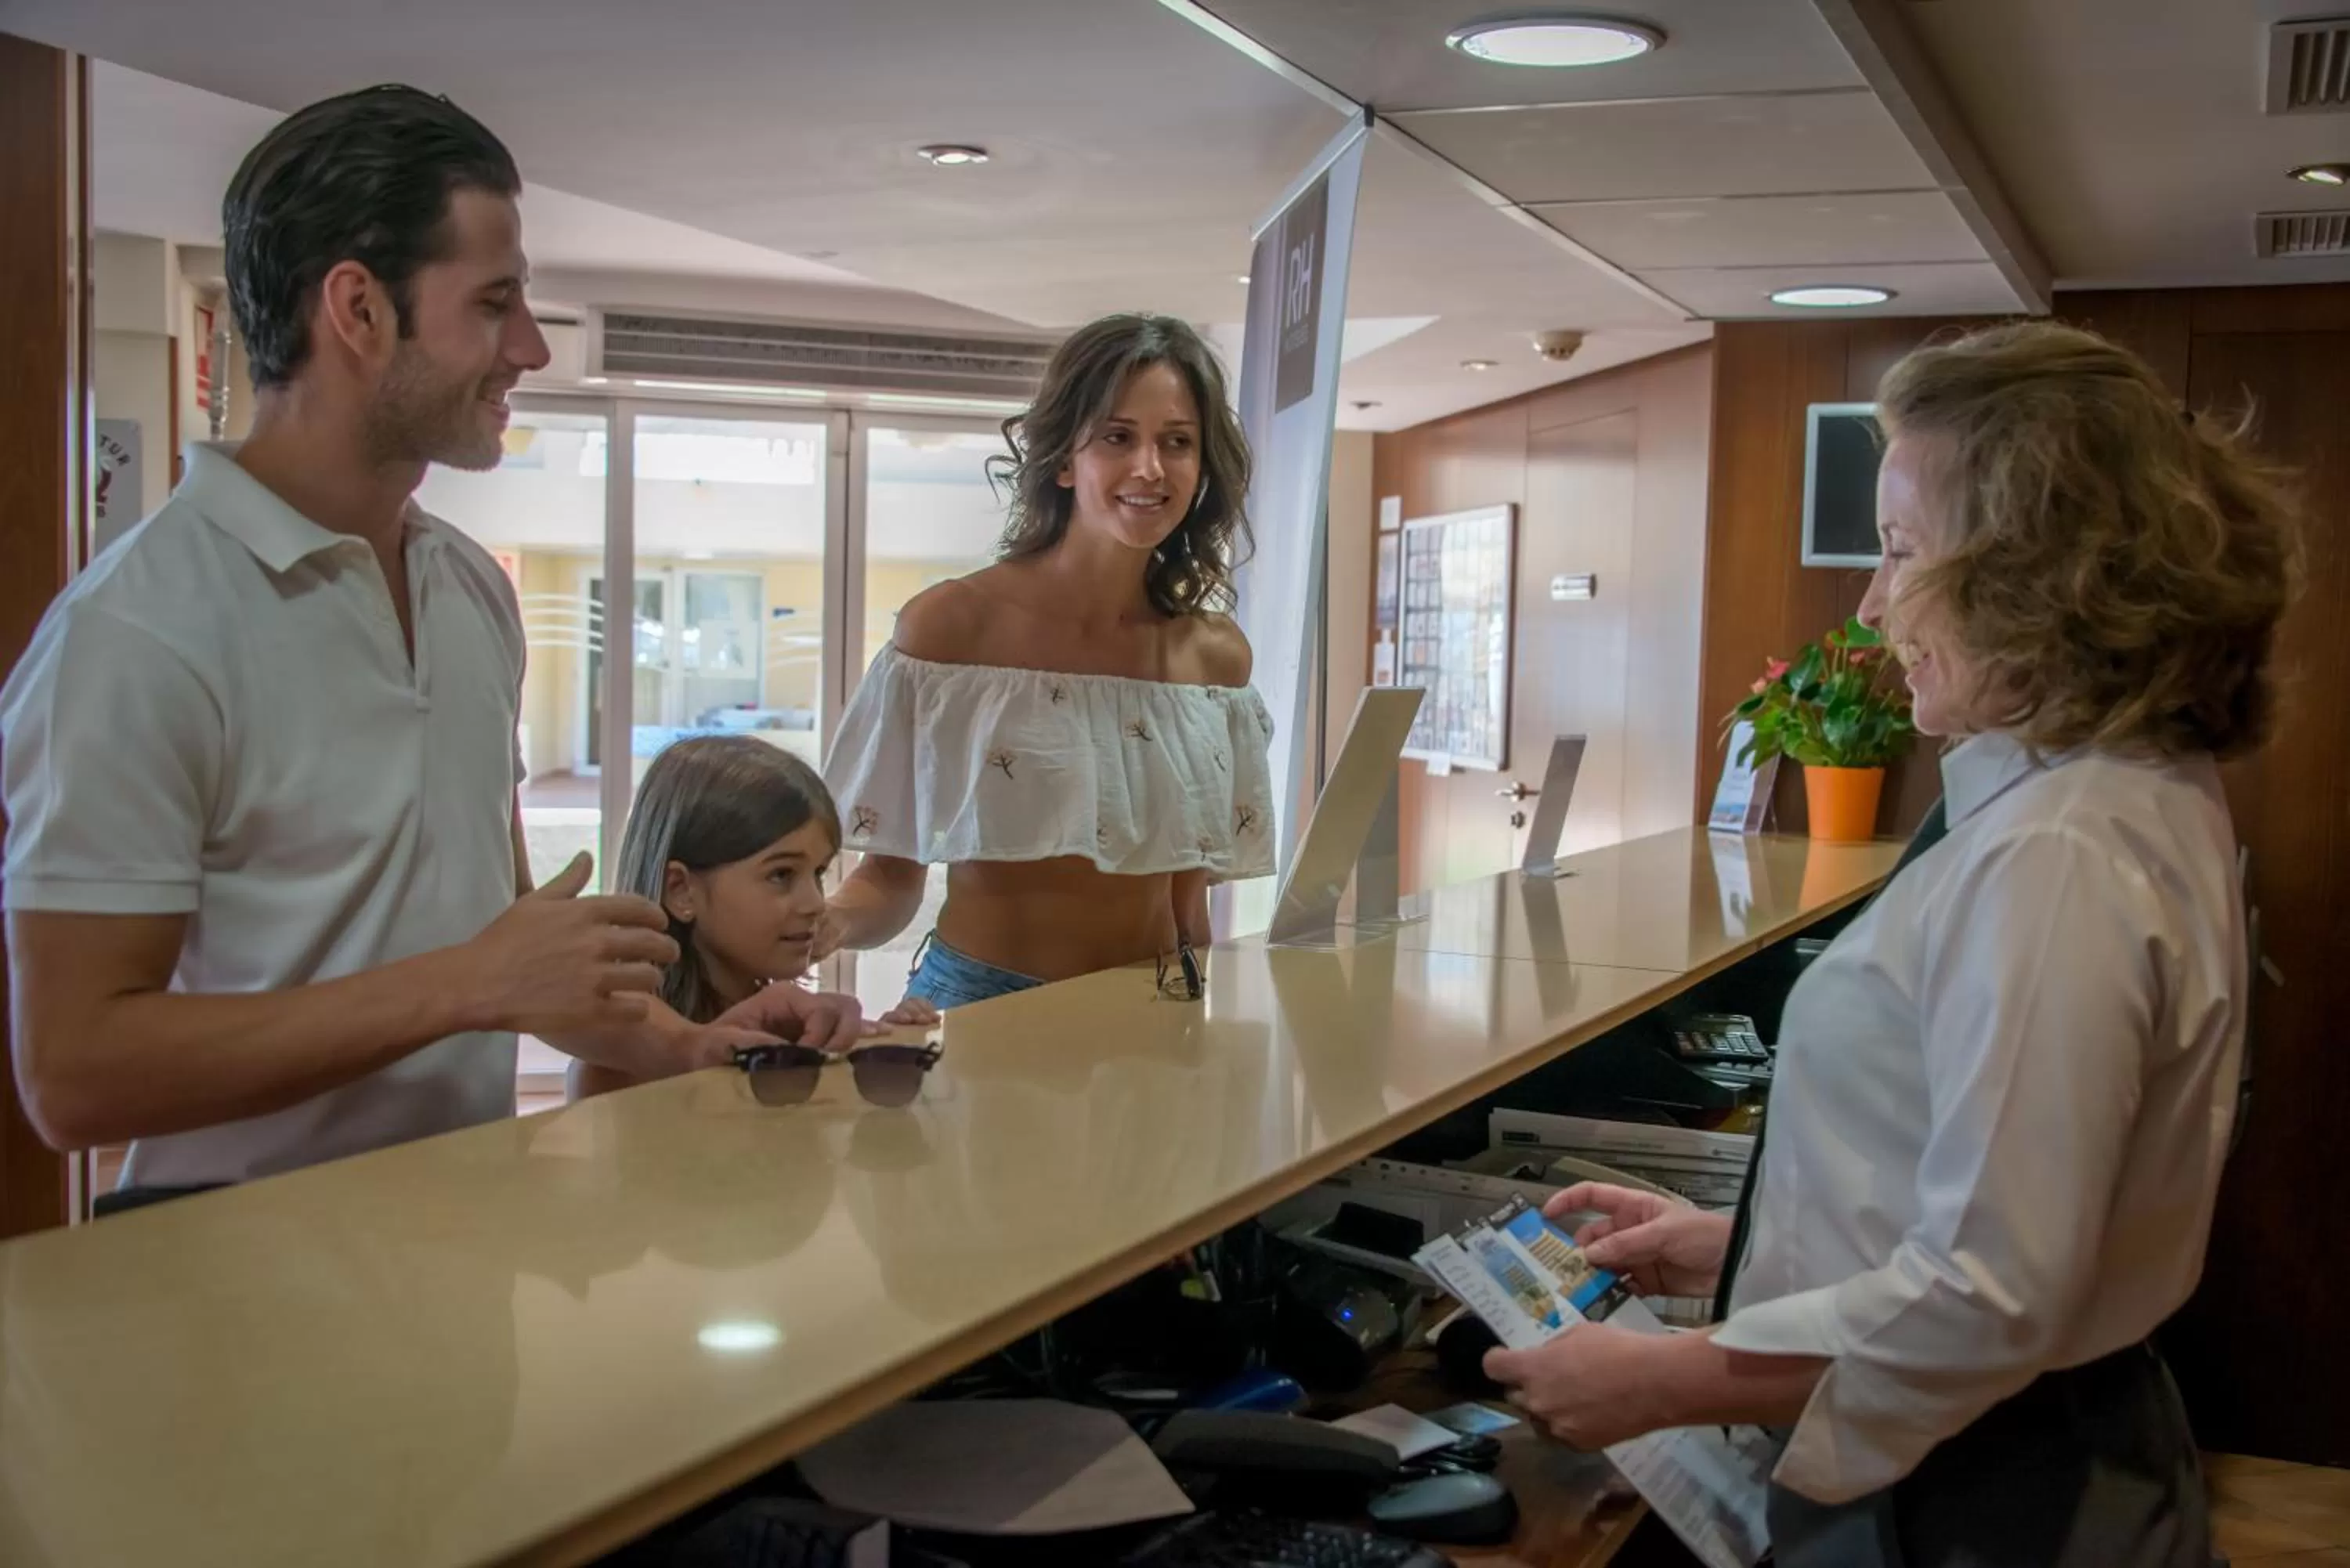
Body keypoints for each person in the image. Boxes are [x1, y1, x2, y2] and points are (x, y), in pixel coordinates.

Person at [1483, 322, 2298, 1566]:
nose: (1869, 603)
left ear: (2041, 573)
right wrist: (1741, 1250)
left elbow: (1990, 1291)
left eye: (1903, 549)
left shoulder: (2060, 851)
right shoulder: (2108, 787)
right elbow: (2012, 1190)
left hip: (1981, 1491)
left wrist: (1670, 1380)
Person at [0, 86, 861, 1213]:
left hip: (457, 1232)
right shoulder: (139, 632)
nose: (533, 347)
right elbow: (73, 1073)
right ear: (358, 309)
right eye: (495, 303)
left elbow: (507, 961)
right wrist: (466, 983)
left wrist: (685, 1043)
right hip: (231, 1273)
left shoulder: (467, 591)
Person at [819, 313, 1275, 1007]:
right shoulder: (950, 630)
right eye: (1118, 437)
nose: (1150, 468)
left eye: (1177, 443)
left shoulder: (1216, 662)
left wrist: (1201, 1016)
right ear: (1064, 459)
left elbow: (1188, 900)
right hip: (983, 1005)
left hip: (1151, 1010)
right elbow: (888, 877)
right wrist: (820, 926)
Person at [571, 737, 937, 1100]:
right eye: (781, 875)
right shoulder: (616, 1069)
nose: (815, 903)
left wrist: (886, 1050)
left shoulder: (791, 1026)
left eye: (819, 873)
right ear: (681, 891)